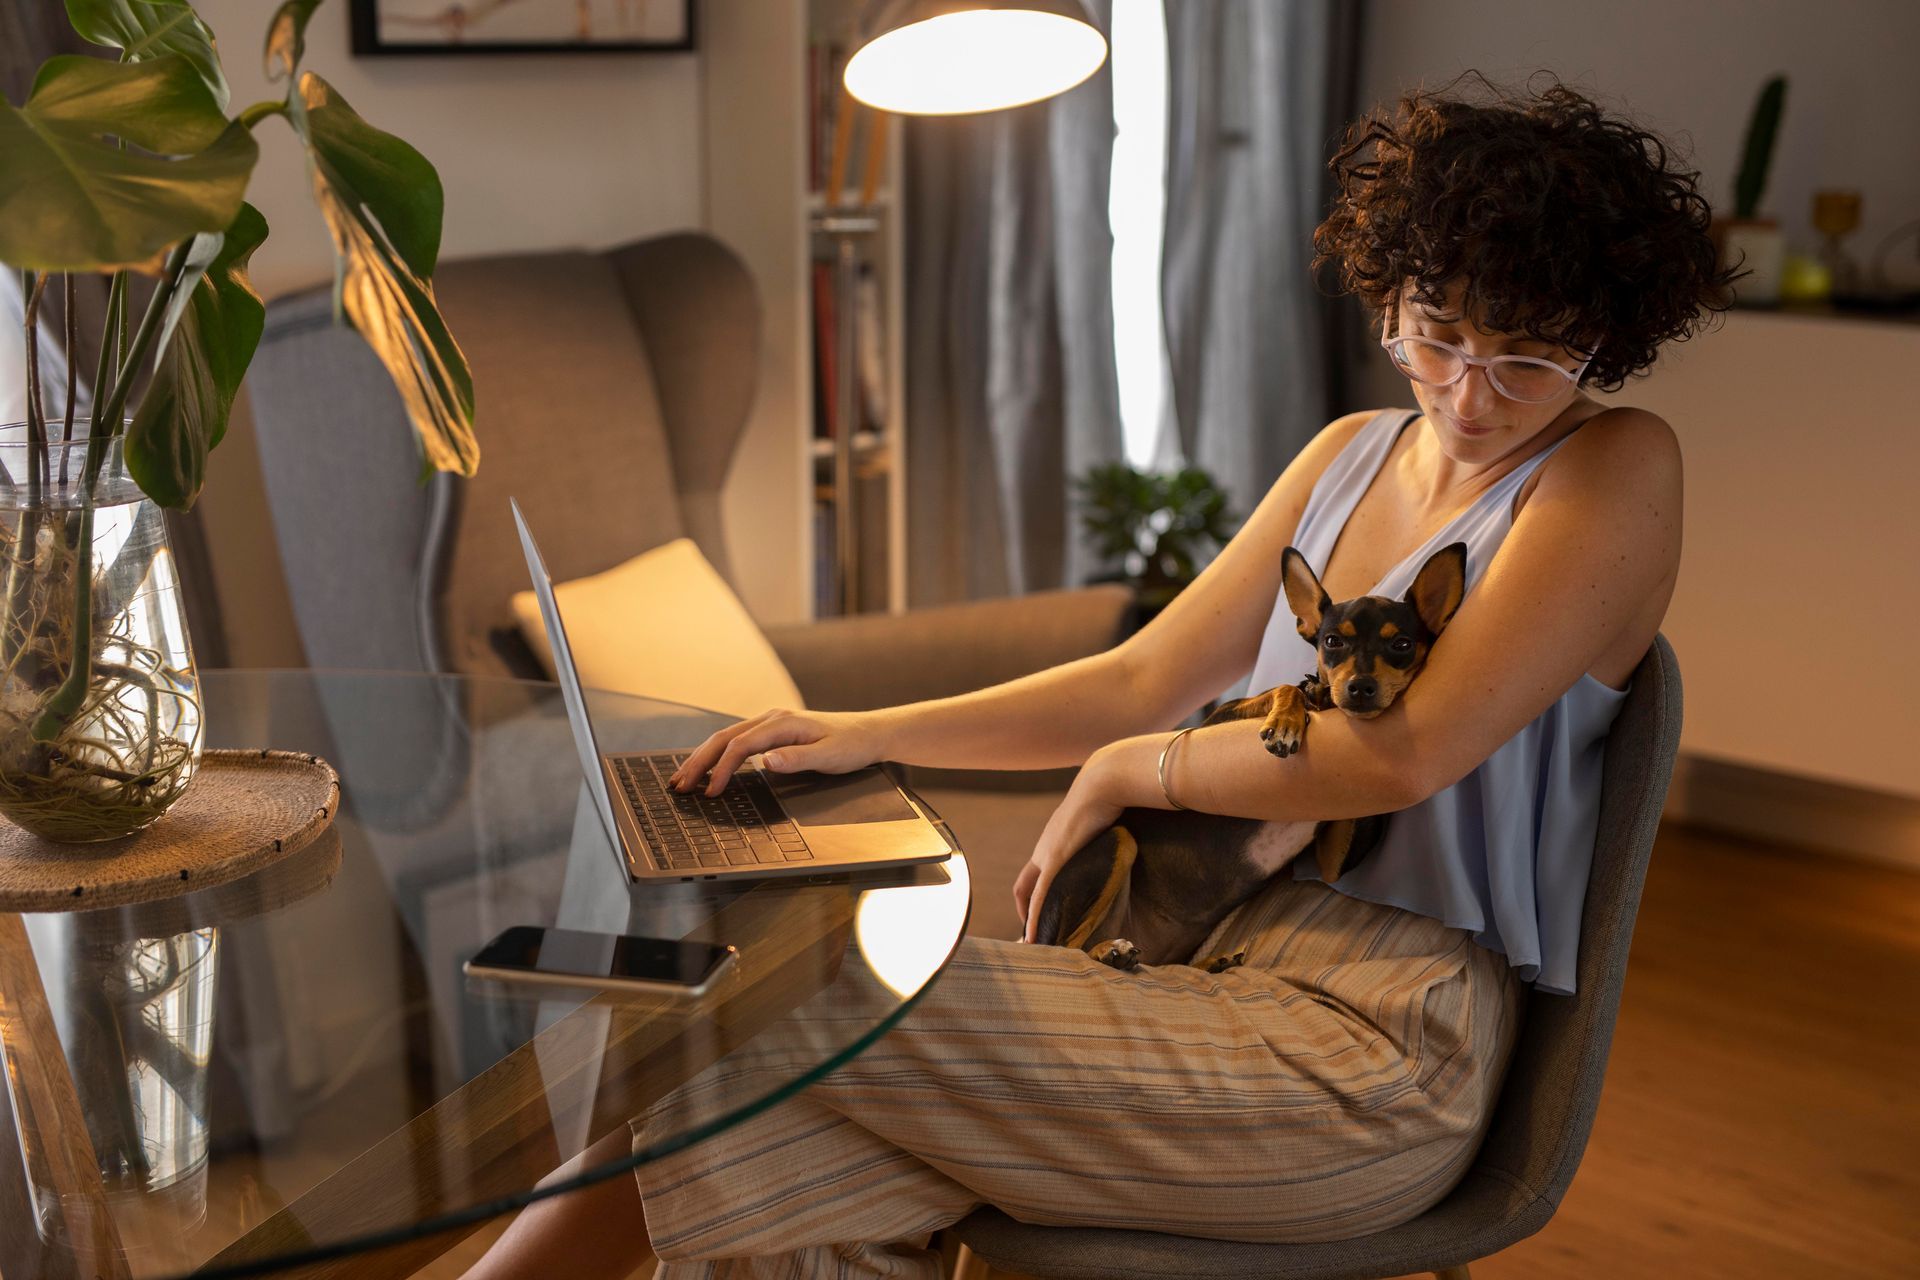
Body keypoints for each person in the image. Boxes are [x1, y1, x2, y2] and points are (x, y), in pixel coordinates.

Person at [464, 73, 1731, 1280]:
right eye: (1438, 333)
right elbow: (1140, 675)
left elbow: (1404, 750)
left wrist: (1137, 770)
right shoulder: (1351, 452)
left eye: (1526, 359)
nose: (1468, 390)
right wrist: (862, 730)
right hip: (1199, 977)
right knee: (758, 1118)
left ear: (1603, 341)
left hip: (1381, 1053)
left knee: (772, 1008)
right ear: (1386, 293)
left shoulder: (1612, 469)